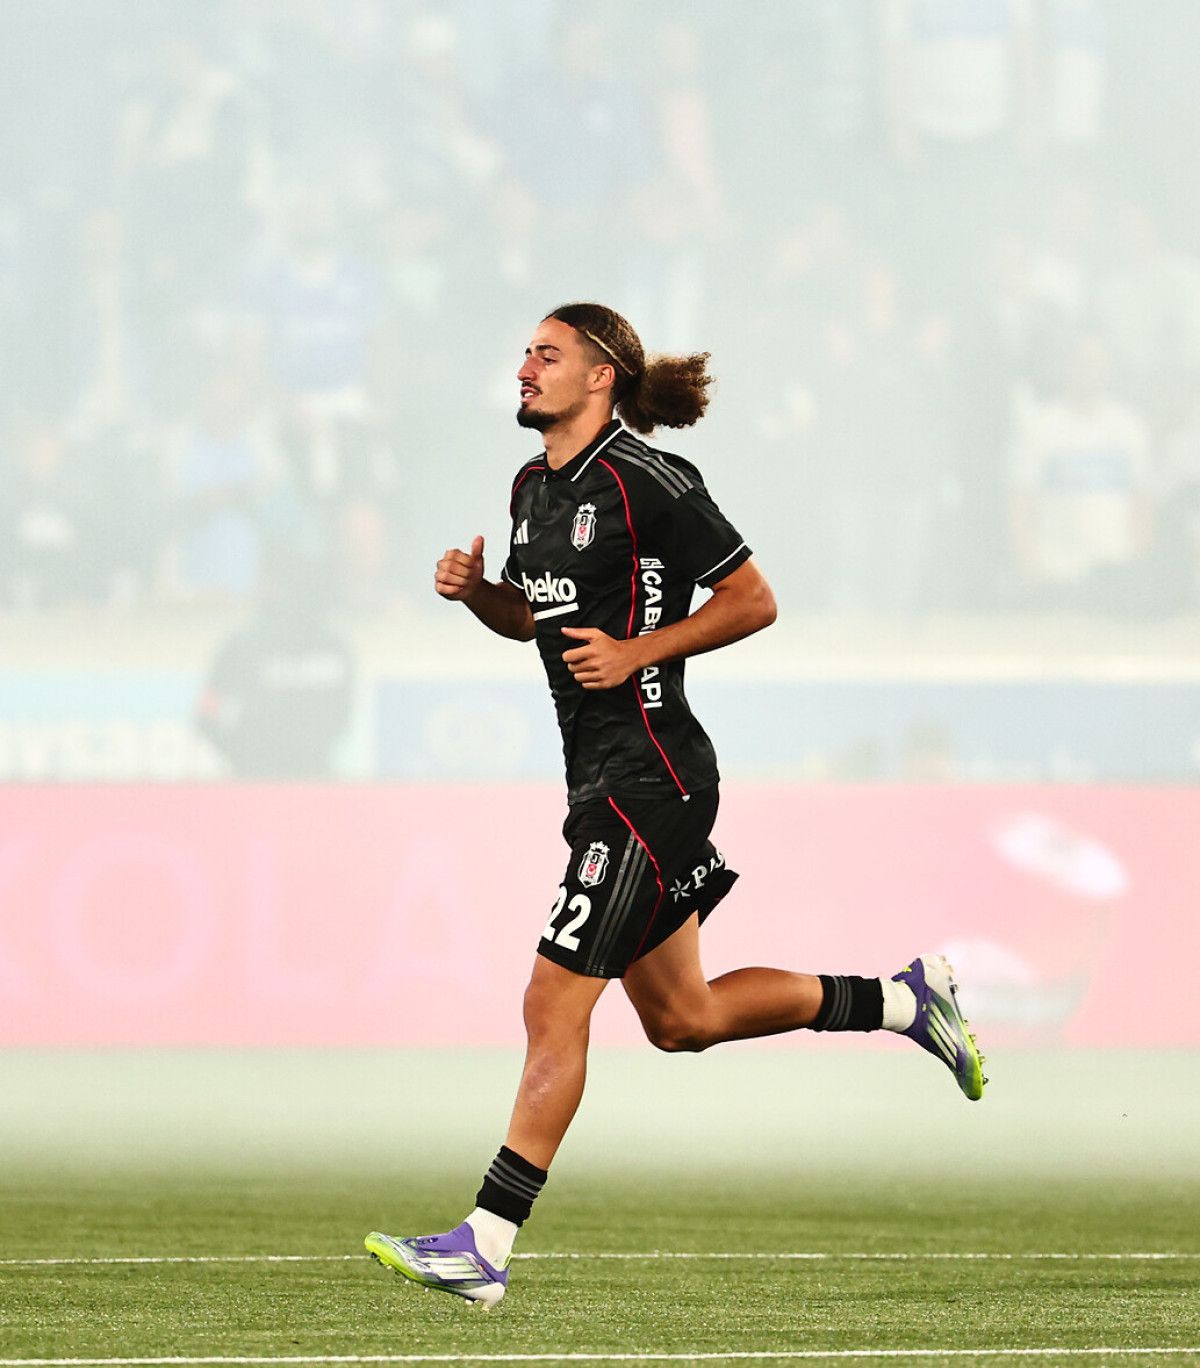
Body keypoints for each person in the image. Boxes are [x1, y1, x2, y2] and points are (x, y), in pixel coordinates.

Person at [364, 303, 987, 1309]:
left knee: (552, 1001)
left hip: (651, 780)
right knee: (682, 1017)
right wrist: (479, 591)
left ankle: (485, 1242)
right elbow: (533, 616)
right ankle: (907, 1001)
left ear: (600, 376)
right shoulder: (533, 487)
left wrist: (639, 653)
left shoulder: (650, 478)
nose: (524, 367)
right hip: (601, 781)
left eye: (546, 354)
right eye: (525, 352)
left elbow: (753, 598)